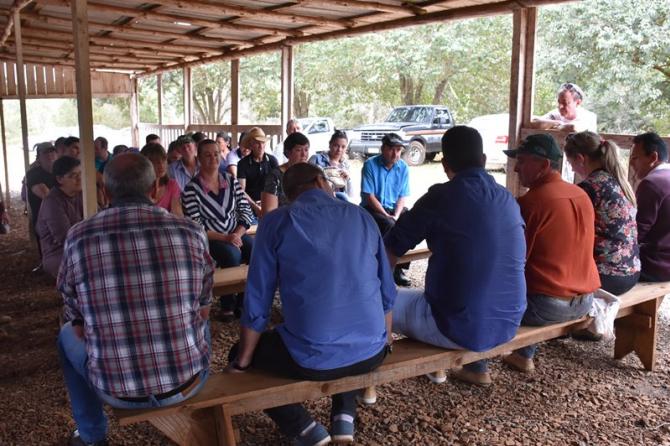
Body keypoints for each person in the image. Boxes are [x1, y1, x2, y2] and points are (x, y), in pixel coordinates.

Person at [228, 163, 395, 445]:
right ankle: (344, 416)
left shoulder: (277, 222)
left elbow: (258, 299)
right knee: (346, 333)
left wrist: (242, 363)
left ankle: (304, 428)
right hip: (372, 352)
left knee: (240, 352)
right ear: (320, 181)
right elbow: (387, 290)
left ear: (289, 194)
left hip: (312, 359)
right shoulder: (361, 216)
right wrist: (385, 340)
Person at [57, 153, 214, 446]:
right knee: (200, 315)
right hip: (187, 381)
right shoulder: (192, 232)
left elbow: (75, 318)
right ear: (155, 189)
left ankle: (92, 436)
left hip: (114, 389)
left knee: (65, 334)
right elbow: (203, 310)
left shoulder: (79, 236)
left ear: (105, 193)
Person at [383, 126, 527, 387]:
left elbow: (389, 252)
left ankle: (363, 384)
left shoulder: (440, 197)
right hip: (509, 321)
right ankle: (462, 368)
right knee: (456, 293)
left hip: (457, 327)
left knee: (378, 303)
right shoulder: (507, 199)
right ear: (483, 160)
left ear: (445, 165)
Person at [503, 133, 600, 372]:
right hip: (586, 301)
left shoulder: (532, 202)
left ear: (544, 165)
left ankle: (476, 366)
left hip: (546, 307)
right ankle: (524, 354)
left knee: (485, 292)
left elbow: (510, 262)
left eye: (522, 161)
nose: (516, 168)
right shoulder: (581, 195)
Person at [182, 139, 254, 321]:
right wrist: (226, 238)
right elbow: (196, 225)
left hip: (235, 232)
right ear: (199, 159)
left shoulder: (230, 181)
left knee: (255, 249)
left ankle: (243, 300)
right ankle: (227, 304)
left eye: (216, 154)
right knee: (232, 254)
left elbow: (245, 211)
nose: (213, 158)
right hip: (210, 238)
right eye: (207, 155)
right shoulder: (191, 189)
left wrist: (237, 234)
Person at [564, 131, 640, 294]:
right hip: (631, 271)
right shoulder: (617, 181)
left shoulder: (590, 187)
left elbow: (570, 232)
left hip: (606, 276)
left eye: (570, 162)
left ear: (580, 159)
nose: (571, 168)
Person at [360, 133, 411, 286]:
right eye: (391, 149)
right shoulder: (370, 165)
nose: (395, 154)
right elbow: (369, 196)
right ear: (382, 149)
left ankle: (399, 268)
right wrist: (387, 215)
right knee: (390, 225)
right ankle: (385, 269)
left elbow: (402, 196)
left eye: (398, 150)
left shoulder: (403, 167)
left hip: (393, 208)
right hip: (373, 208)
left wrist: (396, 214)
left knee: (410, 222)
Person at [629, 132, 670, 281]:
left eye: (635, 158)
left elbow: (637, 231)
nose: (631, 163)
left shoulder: (652, 184)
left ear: (653, 157)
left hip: (656, 265)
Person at [36, 156, 83, 278]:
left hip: (80, 246)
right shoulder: (52, 202)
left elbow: (97, 217)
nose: (80, 179)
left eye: (80, 174)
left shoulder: (81, 195)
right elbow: (65, 237)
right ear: (59, 179)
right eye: (73, 176)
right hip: (59, 253)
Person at [261, 132, 310, 217]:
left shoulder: (311, 174)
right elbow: (269, 213)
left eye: (306, 150)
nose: (304, 154)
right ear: (288, 152)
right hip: (284, 220)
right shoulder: (275, 176)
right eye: (298, 150)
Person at [237, 127, 278, 218]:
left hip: (271, 204)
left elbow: (278, 185)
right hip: (250, 206)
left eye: (263, 142)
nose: (261, 146)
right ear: (251, 145)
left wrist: (267, 204)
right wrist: (255, 206)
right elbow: (241, 190)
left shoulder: (272, 161)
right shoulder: (242, 164)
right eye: (257, 143)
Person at [530, 83, 597, 132]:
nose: (560, 106)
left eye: (565, 103)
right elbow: (533, 122)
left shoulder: (589, 117)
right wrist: (558, 123)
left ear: (578, 103)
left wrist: (550, 125)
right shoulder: (555, 114)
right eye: (559, 102)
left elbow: (573, 128)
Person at [140, 143, 183, 217]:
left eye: (163, 160)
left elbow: (178, 216)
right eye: (156, 162)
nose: (161, 165)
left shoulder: (171, 185)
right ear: (145, 164)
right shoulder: (137, 188)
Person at [308, 129, 353, 200]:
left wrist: (348, 179)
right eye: (336, 145)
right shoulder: (316, 159)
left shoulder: (345, 165)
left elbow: (350, 194)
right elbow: (306, 182)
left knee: (343, 196)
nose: (339, 150)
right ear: (330, 144)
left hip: (339, 200)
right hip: (319, 198)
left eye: (343, 147)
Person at [26, 142, 58, 228]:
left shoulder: (61, 171)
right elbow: (47, 196)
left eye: (52, 151)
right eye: (45, 152)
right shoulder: (33, 174)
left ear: (57, 154)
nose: (49, 155)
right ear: (38, 158)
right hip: (44, 222)